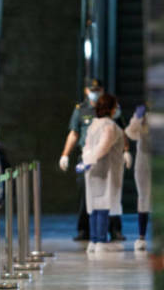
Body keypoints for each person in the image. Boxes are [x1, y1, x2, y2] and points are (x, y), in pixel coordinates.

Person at [60, 80, 130, 242]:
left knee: (110, 196)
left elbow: (105, 145)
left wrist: (126, 151)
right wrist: (67, 155)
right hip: (91, 161)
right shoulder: (84, 114)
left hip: (106, 161)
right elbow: (79, 137)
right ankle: (90, 233)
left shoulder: (110, 124)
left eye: (98, 89)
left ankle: (111, 231)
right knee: (89, 198)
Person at [79, 94, 125, 253]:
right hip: (106, 170)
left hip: (93, 169)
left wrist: (86, 161)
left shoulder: (93, 124)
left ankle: (94, 239)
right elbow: (103, 147)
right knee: (103, 205)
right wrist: (89, 160)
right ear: (111, 108)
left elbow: (87, 146)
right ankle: (99, 239)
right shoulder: (109, 126)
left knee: (94, 204)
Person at [125, 103, 151, 251]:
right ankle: (141, 237)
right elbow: (130, 133)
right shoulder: (143, 117)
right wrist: (137, 118)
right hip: (144, 160)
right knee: (143, 197)